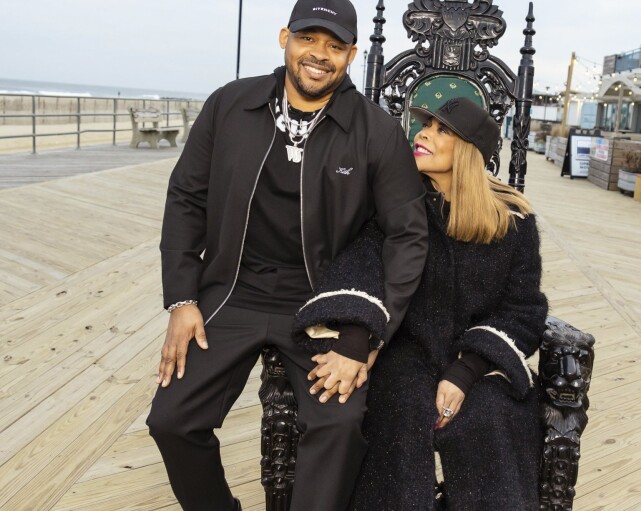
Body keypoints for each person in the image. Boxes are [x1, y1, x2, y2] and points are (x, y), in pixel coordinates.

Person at [145, 0, 429, 509]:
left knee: (340, 423)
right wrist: (181, 300)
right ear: (284, 38)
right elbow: (186, 196)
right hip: (232, 291)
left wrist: (370, 329)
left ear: (351, 54)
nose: (319, 55)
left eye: (334, 46)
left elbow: (406, 236)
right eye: (308, 39)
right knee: (170, 420)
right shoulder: (230, 105)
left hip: (323, 303)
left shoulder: (377, 132)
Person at [294, 97, 549, 510]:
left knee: (491, 420)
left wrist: (466, 371)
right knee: (399, 413)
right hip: (405, 349)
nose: (423, 134)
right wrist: (358, 339)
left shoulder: (513, 222)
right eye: (425, 125)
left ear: (468, 150)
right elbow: (361, 265)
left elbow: (523, 309)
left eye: (441, 129)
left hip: (480, 360)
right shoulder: (398, 204)